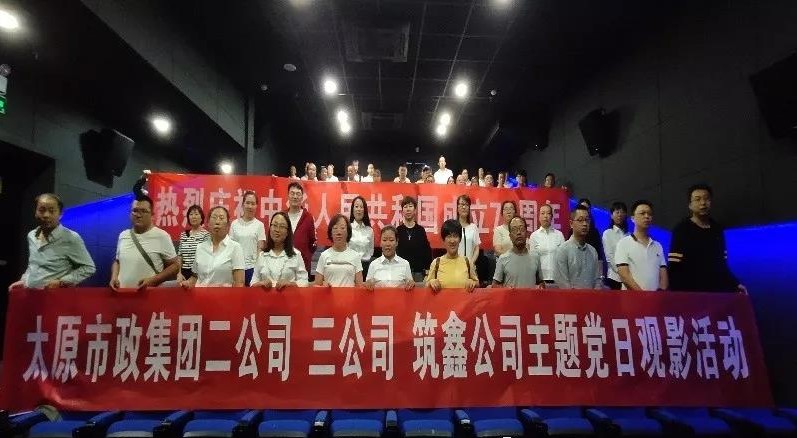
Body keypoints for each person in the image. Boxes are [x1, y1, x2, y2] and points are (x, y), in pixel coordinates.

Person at [8, 193, 95, 291]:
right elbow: (33, 265)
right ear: (35, 212)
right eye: (41, 210)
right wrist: (24, 281)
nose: (46, 215)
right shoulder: (31, 235)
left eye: (51, 211)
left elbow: (89, 268)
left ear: (60, 214)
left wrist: (62, 282)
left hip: (54, 297)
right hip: (31, 295)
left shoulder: (71, 237)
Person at [668, 184, 746, 293]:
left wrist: (735, 284)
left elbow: (722, 265)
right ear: (690, 205)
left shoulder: (717, 229)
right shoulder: (681, 229)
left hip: (716, 293)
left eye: (706, 199)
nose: (703, 203)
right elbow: (674, 268)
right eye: (697, 199)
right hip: (690, 293)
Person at [110, 195, 179, 290]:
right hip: (122, 294)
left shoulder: (162, 236)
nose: (138, 215)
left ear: (152, 215)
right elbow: (117, 261)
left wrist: (154, 280)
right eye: (135, 211)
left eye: (143, 211)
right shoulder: (123, 235)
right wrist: (114, 277)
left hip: (148, 295)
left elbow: (175, 266)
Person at [180, 206, 245, 288]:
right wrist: (188, 283)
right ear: (208, 223)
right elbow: (195, 277)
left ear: (228, 224)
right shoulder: (200, 247)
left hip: (223, 295)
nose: (217, 222)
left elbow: (239, 282)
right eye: (214, 217)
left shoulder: (235, 247)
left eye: (221, 218)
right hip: (200, 294)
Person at [615, 200, 668, 291]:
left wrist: (661, 293)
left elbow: (663, 274)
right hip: (632, 298)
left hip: (655, 298)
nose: (647, 216)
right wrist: (642, 295)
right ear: (632, 218)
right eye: (642, 213)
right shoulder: (623, 243)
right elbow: (624, 274)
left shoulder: (658, 246)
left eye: (649, 214)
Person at [250, 211, 309, 289]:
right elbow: (253, 283)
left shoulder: (296, 254)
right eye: (274, 225)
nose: (277, 230)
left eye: (282, 226)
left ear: (287, 232)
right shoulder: (262, 255)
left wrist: (290, 284)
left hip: (289, 296)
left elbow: (304, 282)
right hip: (265, 296)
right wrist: (261, 283)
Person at [553, 205, 603, 289]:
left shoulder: (593, 251)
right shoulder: (563, 250)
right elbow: (563, 283)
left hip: (592, 296)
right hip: (571, 297)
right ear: (571, 223)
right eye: (580, 220)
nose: (585, 224)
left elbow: (597, 280)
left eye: (587, 220)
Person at [425, 219, 478, 292]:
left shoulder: (467, 262)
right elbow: (427, 286)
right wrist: (431, 282)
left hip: (463, 300)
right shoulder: (436, 262)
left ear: (460, 239)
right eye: (449, 236)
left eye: (455, 236)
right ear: (443, 240)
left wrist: (473, 283)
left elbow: (477, 283)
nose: (452, 241)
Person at [314, 214, 364, 287]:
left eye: (342, 228)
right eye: (335, 228)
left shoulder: (355, 256)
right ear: (331, 233)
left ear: (348, 232)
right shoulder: (324, 255)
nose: (339, 232)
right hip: (329, 294)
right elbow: (317, 285)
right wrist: (323, 287)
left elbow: (360, 286)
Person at [492, 216, 542, 288]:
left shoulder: (536, 257)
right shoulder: (503, 258)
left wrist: (541, 286)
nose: (518, 233)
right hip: (510, 296)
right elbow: (494, 285)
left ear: (527, 233)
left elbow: (541, 283)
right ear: (510, 236)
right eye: (514, 230)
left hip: (530, 296)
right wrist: (505, 289)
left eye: (522, 229)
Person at [229, 190, 267, 285]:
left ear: (256, 206)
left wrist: (257, 268)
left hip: (252, 268)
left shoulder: (259, 225)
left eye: (253, 204)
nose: (250, 206)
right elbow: (230, 247)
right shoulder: (234, 224)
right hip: (236, 267)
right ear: (243, 205)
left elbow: (260, 249)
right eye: (248, 203)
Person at [365, 225, 414, 290]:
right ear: (380, 243)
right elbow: (368, 287)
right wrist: (368, 284)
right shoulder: (373, 264)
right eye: (384, 240)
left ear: (397, 242)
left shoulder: (405, 264)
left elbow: (410, 286)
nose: (388, 244)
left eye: (391, 240)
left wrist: (411, 283)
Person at [396, 196, 432, 281]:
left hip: (418, 273)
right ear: (402, 211)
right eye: (405, 207)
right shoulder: (398, 230)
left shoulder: (420, 230)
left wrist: (428, 271)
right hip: (401, 272)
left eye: (410, 206)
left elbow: (427, 251)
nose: (408, 209)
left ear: (415, 210)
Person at [528, 204, 565, 285]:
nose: (545, 216)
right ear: (539, 217)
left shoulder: (559, 235)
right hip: (541, 279)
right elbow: (533, 260)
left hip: (557, 278)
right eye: (542, 213)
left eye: (548, 213)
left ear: (552, 217)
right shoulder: (534, 236)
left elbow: (563, 258)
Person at [286, 182, 317, 274]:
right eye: (292, 193)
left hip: (302, 266)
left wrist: (306, 255)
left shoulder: (308, 217)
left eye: (298, 194)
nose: (295, 197)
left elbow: (313, 241)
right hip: (284, 264)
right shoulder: (282, 216)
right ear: (288, 196)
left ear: (302, 197)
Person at [176, 205, 210, 283]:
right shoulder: (184, 234)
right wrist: (179, 273)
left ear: (201, 218)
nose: (193, 216)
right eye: (191, 214)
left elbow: (206, 257)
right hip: (184, 273)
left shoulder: (206, 235)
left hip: (199, 273)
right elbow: (180, 256)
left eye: (196, 214)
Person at [601, 201, 629, 290]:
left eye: (622, 212)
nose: (620, 215)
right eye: (617, 212)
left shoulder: (629, 235)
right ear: (611, 215)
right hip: (614, 277)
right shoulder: (608, 233)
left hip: (630, 278)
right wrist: (622, 273)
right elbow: (609, 257)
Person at [575, 198, 605, 270]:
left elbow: (599, 255)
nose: (584, 211)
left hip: (592, 269)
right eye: (582, 208)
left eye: (587, 209)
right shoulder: (572, 231)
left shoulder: (595, 232)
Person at [348, 196, 374, 274]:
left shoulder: (369, 230)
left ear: (364, 210)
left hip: (366, 268)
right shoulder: (347, 228)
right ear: (352, 210)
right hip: (350, 266)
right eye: (356, 206)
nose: (359, 209)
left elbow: (371, 251)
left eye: (361, 207)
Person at [456, 195, 481, 263]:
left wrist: (471, 263)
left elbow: (476, 248)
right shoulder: (453, 226)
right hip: (455, 265)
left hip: (470, 265)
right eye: (462, 204)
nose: (464, 207)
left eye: (467, 205)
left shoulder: (473, 227)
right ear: (457, 207)